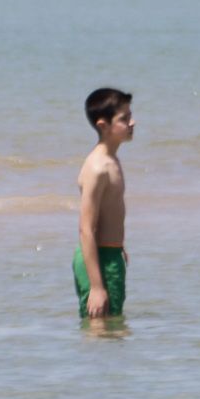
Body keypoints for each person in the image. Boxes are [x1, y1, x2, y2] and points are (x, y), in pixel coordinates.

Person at [74, 85, 132, 320]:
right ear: (103, 125)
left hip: (111, 254)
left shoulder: (112, 160)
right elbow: (86, 229)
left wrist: (119, 247)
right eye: (124, 119)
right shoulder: (97, 167)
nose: (132, 122)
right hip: (98, 260)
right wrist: (97, 287)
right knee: (99, 329)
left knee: (113, 329)